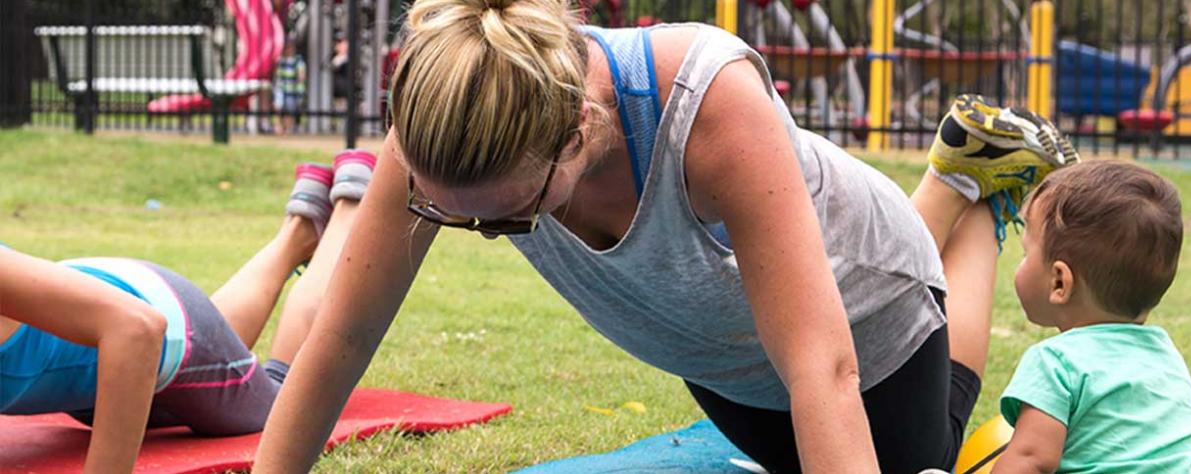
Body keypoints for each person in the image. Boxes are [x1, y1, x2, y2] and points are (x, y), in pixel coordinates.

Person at [253, 1, 1077, 472]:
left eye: (508, 215)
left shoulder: (707, 104)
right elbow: (344, 337)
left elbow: (821, 366)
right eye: (455, 216)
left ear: (579, 128)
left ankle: (963, 197)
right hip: (722, 356)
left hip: (873, 311)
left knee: (935, 452)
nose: (487, 235)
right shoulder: (446, 127)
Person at [0, 150, 377, 473]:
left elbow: (136, 328)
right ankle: (301, 226)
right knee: (215, 357)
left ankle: (352, 200)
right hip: (106, 352)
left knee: (281, 404)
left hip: (145, 317)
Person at [990, 161, 1191, 473]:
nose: (1021, 264)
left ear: (1059, 282)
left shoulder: (1055, 362)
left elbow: (1031, 459)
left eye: (1026, 254)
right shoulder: (1167, 359)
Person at [273, 40, 307, 135]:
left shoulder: (298, 61)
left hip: (293, 89)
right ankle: (280, 127)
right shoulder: (280, 60)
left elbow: (301, 76)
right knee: (279, 108)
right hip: (281, 89)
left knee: (290, 109)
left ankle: (288, 128)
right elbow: (277, 75)